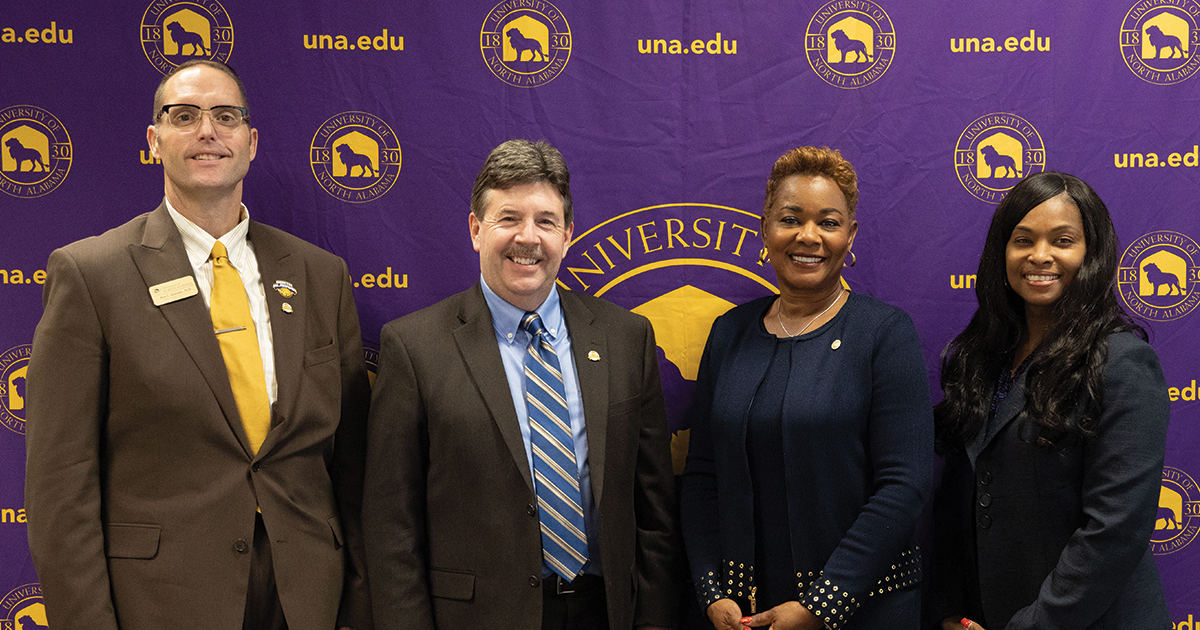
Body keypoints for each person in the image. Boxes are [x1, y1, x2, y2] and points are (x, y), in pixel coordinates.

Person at [24, 59, 371, 630]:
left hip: (308, 596)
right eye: (184, 116)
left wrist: (360, 608)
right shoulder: (92, 274)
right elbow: (62, 486)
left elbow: (354, 467)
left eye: (225, 116)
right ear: (153, 140)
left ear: (251, 141)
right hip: (161, 602)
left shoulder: (320, 275)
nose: (207, 131)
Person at [362, 139, 682, 630]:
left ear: (568, 233)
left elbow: (653, 509)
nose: (527, 238)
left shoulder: (626, 338)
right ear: (475, 229)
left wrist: (655, 621)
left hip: (607, 609)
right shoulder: (414, 348)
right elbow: (391, 526)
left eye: (545, 221)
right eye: (508, 218)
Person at [680, 146, 933, 630]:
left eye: (829, 222)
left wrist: (823, 604)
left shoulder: (884, 333)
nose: (808, 236)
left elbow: (905, 485)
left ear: (850, 236)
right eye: (791, 218)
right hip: (743, 616)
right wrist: (711, 592)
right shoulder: (729, 332)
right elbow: (702, 476)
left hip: (862, 609)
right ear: (764, 230)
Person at [928, 172, 1170, 630]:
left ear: (1091, 254)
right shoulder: (981, 360)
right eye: (1023, 240)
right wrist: (947, 611)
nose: (1040, 256)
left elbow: (1115, 530)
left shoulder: (1123, 363)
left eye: (1062, 240)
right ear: (1002, 253)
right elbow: (956, 505)